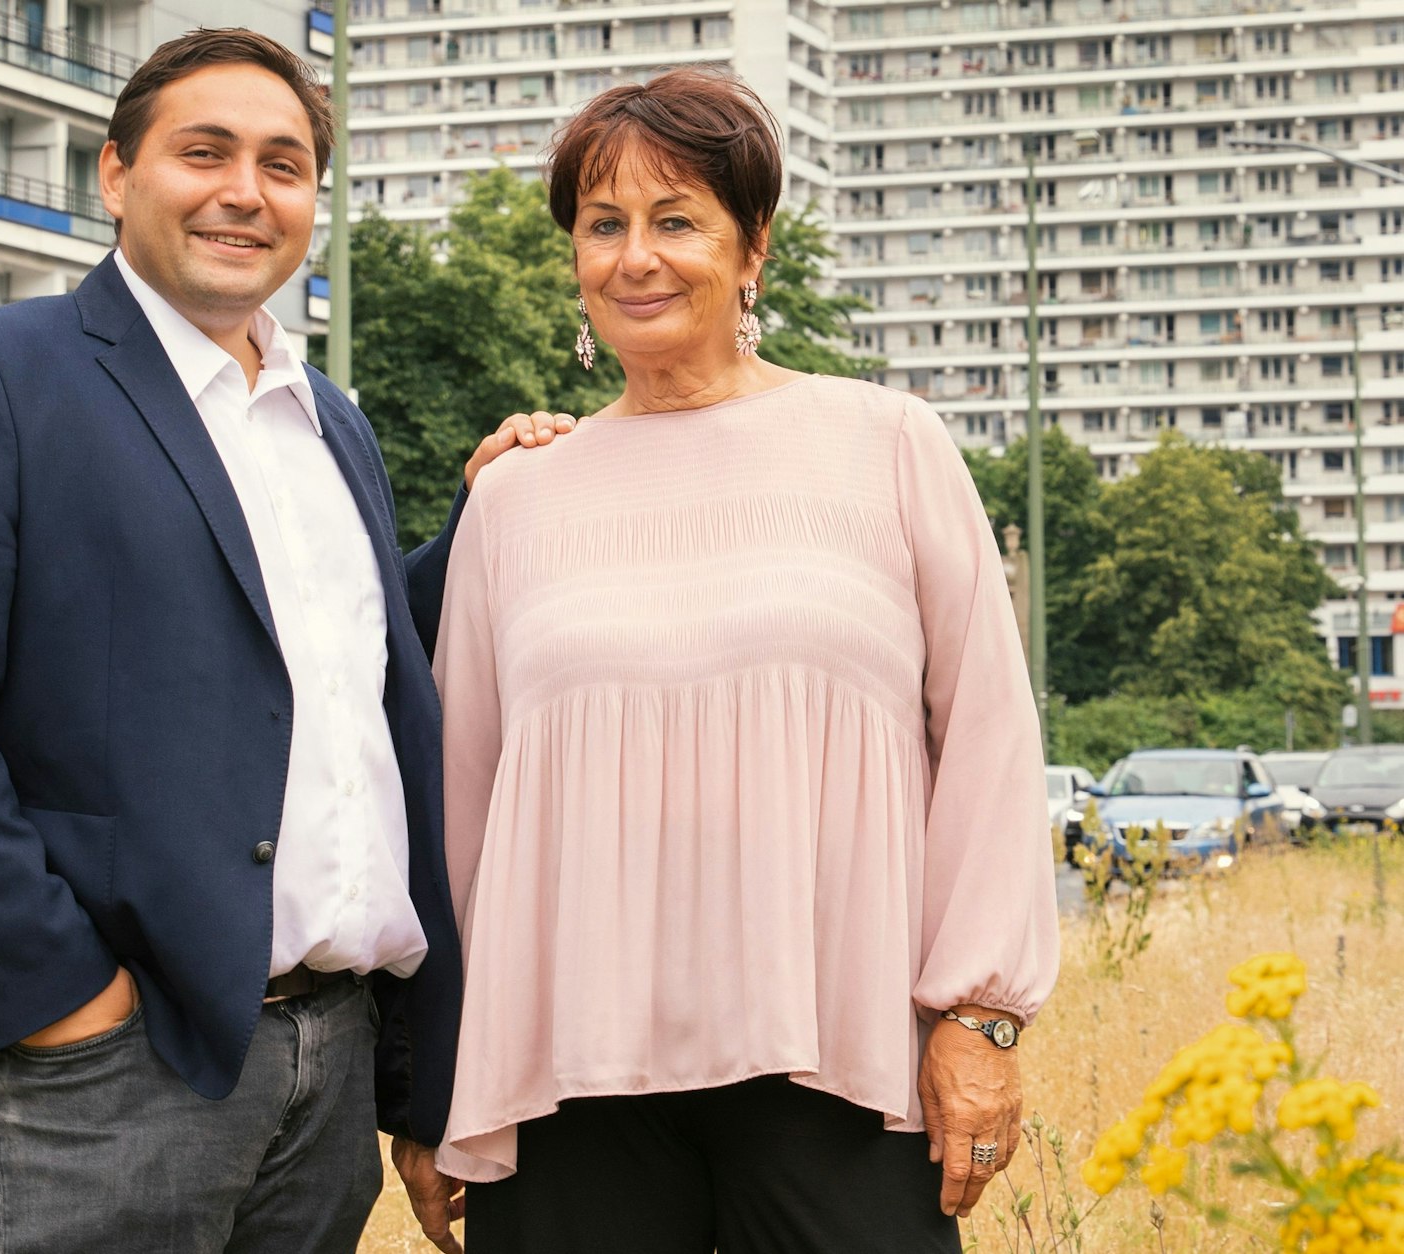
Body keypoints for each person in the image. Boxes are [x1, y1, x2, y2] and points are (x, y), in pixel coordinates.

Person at [0, 28, 564, 1254]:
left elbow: (341, 664)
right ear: (116, 175)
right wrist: (66, 998)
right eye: (203, 152)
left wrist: (489, 518)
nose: (243, 190)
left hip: (325, 1059)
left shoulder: (328, 420)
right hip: (105, 1067)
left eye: (282, 164)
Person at [405, 68, 1061, 1253]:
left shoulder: (887, 446)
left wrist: (981, 1016)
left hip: (836, 1060)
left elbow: (989, 746)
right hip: (565, 1082)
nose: (633, 258)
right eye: (602, 226)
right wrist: (429, 1078)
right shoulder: (512, 500)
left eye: (675, 221)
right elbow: (458, 806)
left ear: (751, 244)